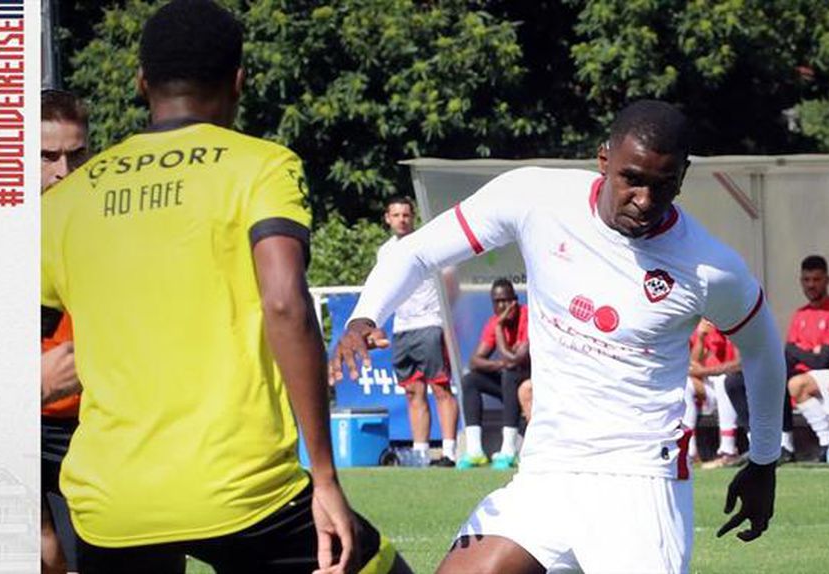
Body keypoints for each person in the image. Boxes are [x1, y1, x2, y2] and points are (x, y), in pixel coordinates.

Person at [331, 100, 786, 573]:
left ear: (683, 176)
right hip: (546, 472)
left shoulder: (710, 268)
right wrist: (364, 318)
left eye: (663, 184)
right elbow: (418, 252)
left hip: (638, 484)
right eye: (632, 179)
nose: (645, 200)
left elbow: (763, 351)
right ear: (604, 159)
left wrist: (764, 461)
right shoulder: (536, 197)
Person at [40, 2, 409, 572]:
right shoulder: (263, 166)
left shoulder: (66, 200)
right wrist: (325, 476)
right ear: (239, 80)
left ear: (141, 83)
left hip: (110, 504)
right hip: (245, 493)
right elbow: (284, 303)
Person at [40, 88, 91, 574]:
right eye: (47, 156)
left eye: (76, 155)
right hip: (12, 422)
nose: (63, 171)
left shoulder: (111, 227)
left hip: (91, 425)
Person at [378, 195, 459, 466]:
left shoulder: (429, 243)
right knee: (413, 391)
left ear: (413, 217)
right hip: (403, 328)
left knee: (441, 388)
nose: (401, 220)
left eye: (406, 215)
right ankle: (421, 453)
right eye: (396, 215)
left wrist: (442, 317)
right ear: (387, 218)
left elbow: (451, 281)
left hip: (430, 325)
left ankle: (449, 452)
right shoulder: (385, 252)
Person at [457, 278, 531, 470]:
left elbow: (517, 360)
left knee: (509, 373)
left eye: (507, 300)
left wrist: (499, 328)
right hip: (508, 383)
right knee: (470, 380)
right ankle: (475, 451)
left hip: (529, 380)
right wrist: (500, 363)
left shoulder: (527, 317)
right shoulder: (494, 322)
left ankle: (509, 450)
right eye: (498, 302)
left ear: (515, 300)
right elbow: (475, 361)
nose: (503, 306)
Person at [784, 255, 829, 463]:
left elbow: (822, 361)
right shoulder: (800, 314)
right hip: (804, 374)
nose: (811, 285)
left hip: (827, 375)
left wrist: (796, 349)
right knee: (773, 379)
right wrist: (807, 352)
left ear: (827, 280)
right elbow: (788, 352)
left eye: (816, 280)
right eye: (806, 280)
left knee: (795, 383)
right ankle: (784, 446)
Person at [683, 320, 743, 469]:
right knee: (686, 385)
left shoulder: (734, 322)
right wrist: (701, 338)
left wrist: (704, 371)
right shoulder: (701, 325)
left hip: (737, 388)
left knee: (723, 381)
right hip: (710, 389)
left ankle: (728, 451)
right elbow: (693, 364)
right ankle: (689, 453)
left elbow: (740, 363)